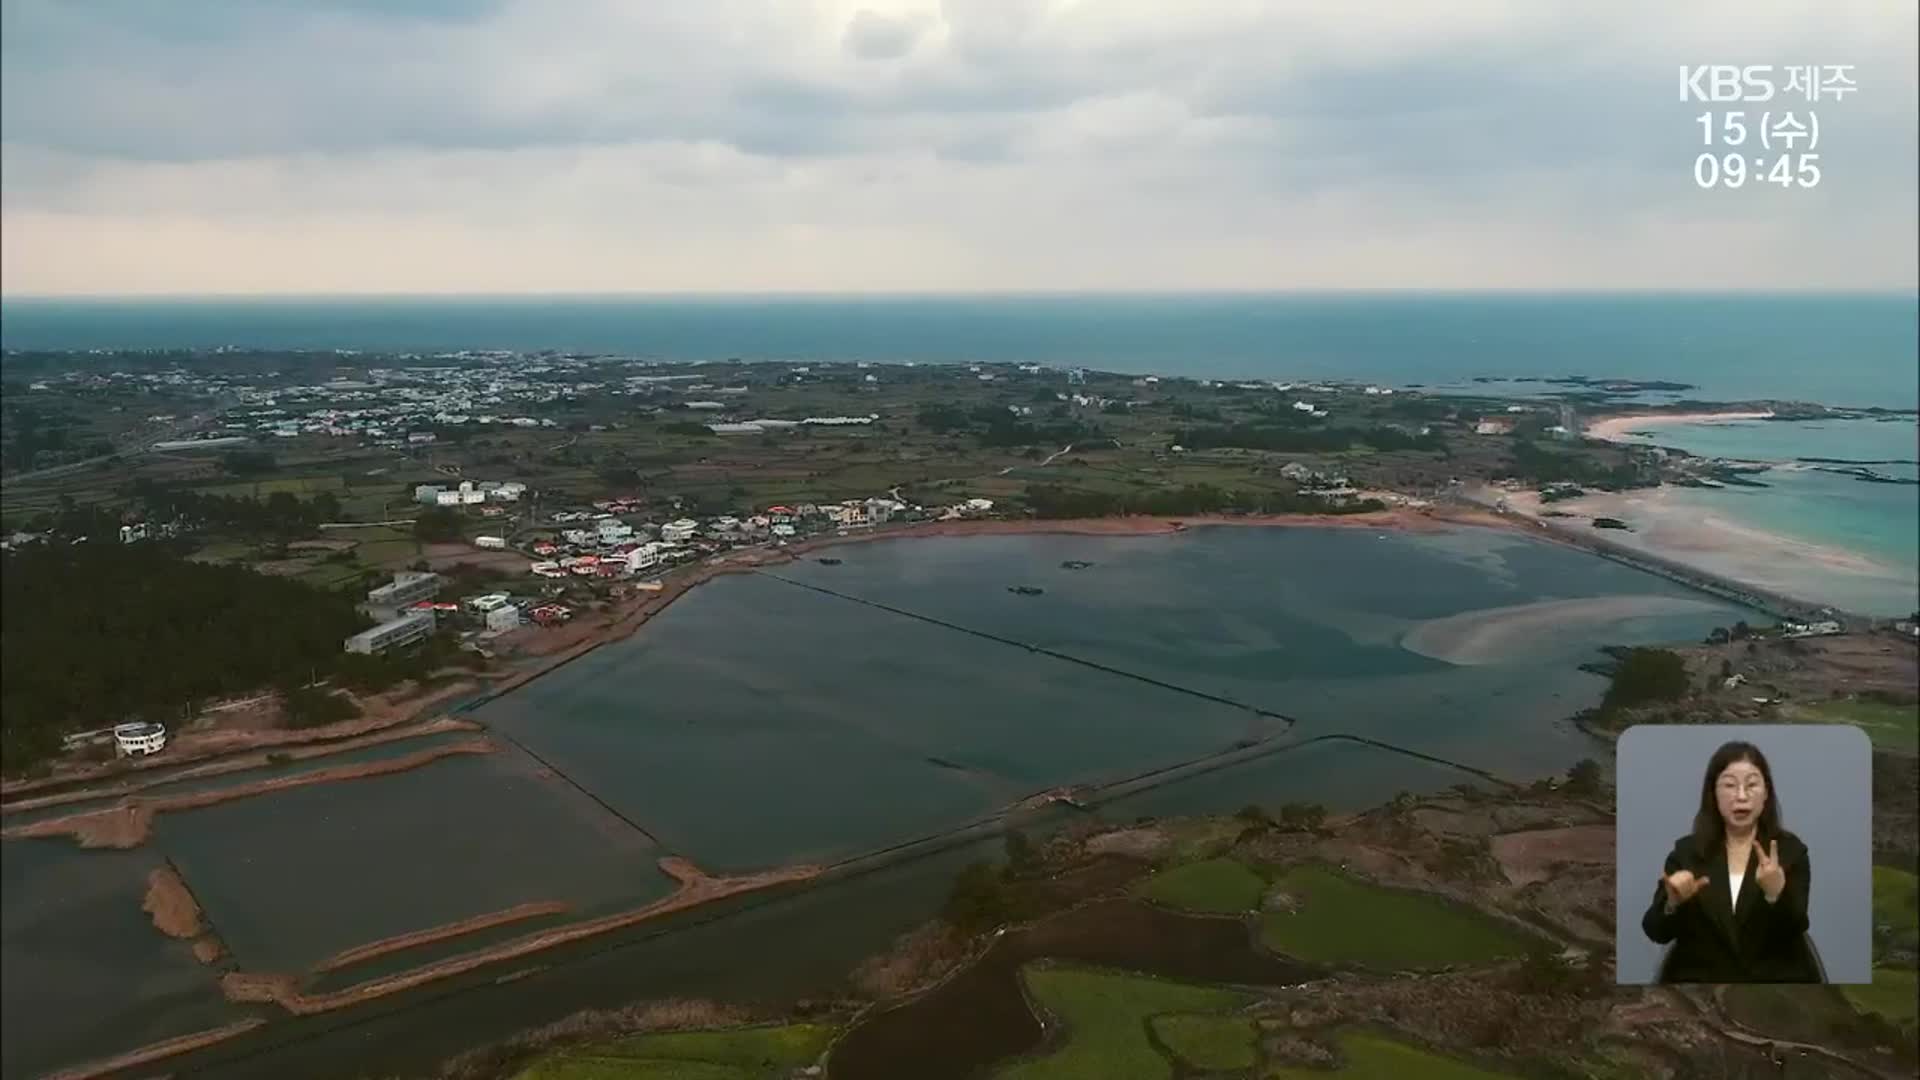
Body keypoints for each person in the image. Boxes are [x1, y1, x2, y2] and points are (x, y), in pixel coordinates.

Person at [1641, 740, 1820, 982]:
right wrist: (1673, 903)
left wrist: (1775, 894)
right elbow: (1656, 931)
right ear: (1713, 793)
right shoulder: (1686, 853)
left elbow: (1795, 926)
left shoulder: (1791, 851)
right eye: (1729, 785)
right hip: (1701, 985)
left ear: (1766, 792)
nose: (1741, 796)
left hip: (1776, 985)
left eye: (1752, 785)